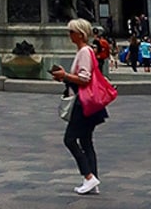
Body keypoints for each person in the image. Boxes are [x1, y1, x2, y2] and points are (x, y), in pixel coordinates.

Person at [51, 18, 106, 196]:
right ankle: (92, 181)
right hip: (89, 103)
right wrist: (64, 76)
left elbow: (84, 78)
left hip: (83, 104)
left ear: (80, 34)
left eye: (71, 32)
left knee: (69, 139)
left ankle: (88, 176)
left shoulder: (84, 52)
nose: (69, 35)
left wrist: (65, 75)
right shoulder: (86, 51)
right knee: (86, 141)